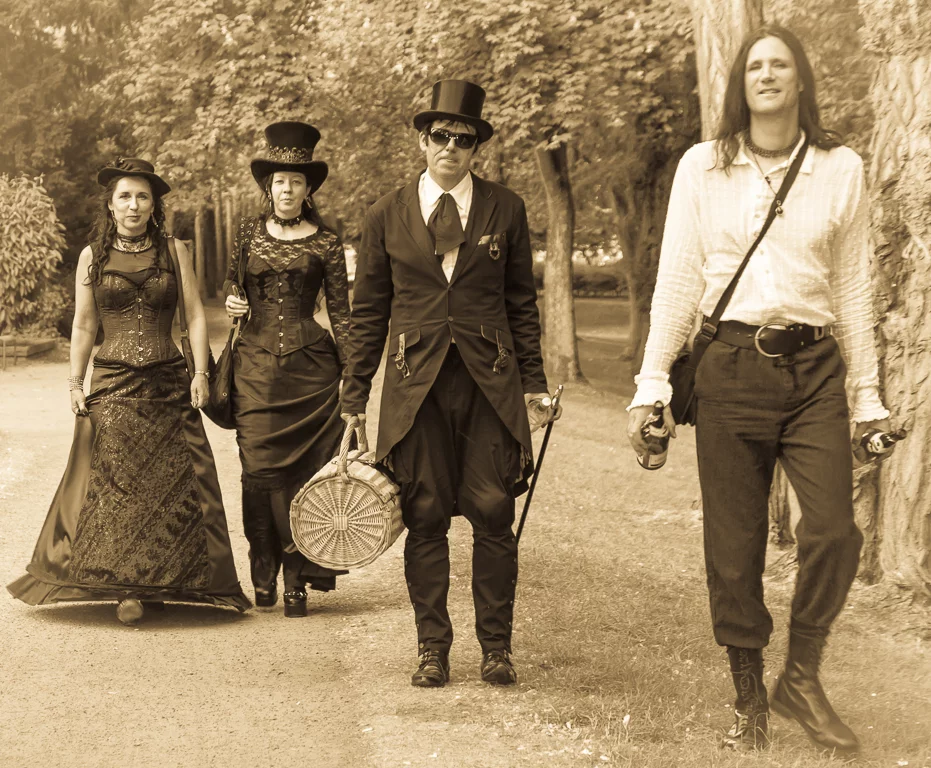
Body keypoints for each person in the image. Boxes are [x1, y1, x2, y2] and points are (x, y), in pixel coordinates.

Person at [626, 25, 893, 754]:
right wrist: (651, 385)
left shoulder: (840, 167)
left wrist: (868, 399)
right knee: (734, 545)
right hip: (731, 367)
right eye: (754, 67)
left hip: (815, 369)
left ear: (800, 79)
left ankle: (800, 676)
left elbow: (853, 289)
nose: (767, 75)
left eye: (779, 64)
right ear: (740, 85)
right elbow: (677, 281)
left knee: (833, 531)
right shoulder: (702, 167)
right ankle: (748, 698)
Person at [341, 80, 560, 688]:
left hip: (490, 383)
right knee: (425, 513)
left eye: (464, 140)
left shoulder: (506, 208)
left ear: (475, 148)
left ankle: (497, 649)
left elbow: (521, 303)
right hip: (416, 387)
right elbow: (369, 312)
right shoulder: (386, 213)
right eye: (440, 136)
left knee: (493, 512)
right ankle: (432, 649)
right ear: (422, 140)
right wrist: (355, 395)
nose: (451, 148)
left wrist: (534, 385)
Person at [8, 157, 250, 624]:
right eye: (125, 196)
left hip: (167, 381)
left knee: (175, 482)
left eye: (142, 196)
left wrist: (201, 373)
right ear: (111, 204)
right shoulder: (91, 256)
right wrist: (75, 382)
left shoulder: (175, 251)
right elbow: (84, 325)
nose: (134, 205)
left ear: (153, 204)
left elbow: (194, 315)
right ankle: (126, 586)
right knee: (115, 483)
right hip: (113, 381)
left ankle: (168, 579)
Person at [223, 121, 350, 618]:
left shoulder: (328, 242)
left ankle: (297, 579)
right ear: (268, 186)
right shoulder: (247, 233)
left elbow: (341, 313)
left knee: (304, 476)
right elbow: (233, 287)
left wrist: (353, 378)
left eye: (297, 181)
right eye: (280, 181)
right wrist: (234, 304)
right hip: (254, 367)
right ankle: (263, 568)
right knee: (257, 472)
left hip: (311, 374)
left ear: (308, 188)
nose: (288, 189)